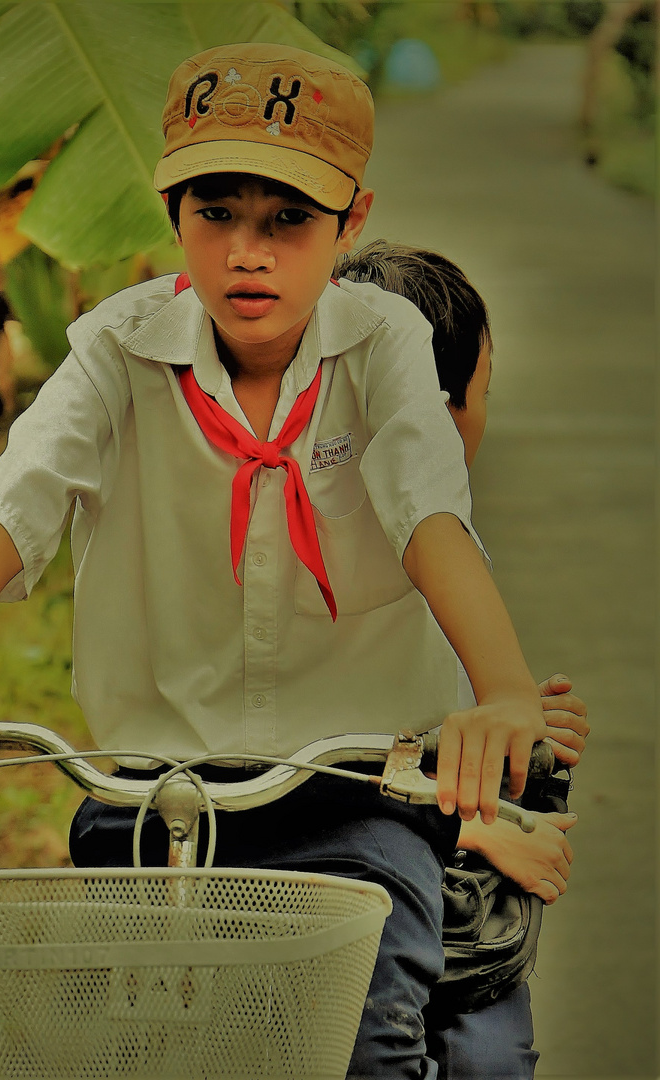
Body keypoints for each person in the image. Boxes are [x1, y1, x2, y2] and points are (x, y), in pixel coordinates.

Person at [0, 44, 552, 1077]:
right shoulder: (116, 354)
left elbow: (427, 507)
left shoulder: (383, 345)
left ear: (351, 221)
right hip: (148, 797)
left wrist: (505, 690)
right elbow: (18, 499)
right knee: (107, 1049)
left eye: (287, 221)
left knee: (368, 1034)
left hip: (355, 798)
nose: (246, 254)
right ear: (173, 213)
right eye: (217, 214)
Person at [337, 239, 591, 1078]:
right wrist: (480, 828)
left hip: (424, 886)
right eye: (482, 392)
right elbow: (297, 734)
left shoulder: (449, 557)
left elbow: (448, 717)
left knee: (490, 1056)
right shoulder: (306, 552)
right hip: (356, 875)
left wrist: (523, 738)